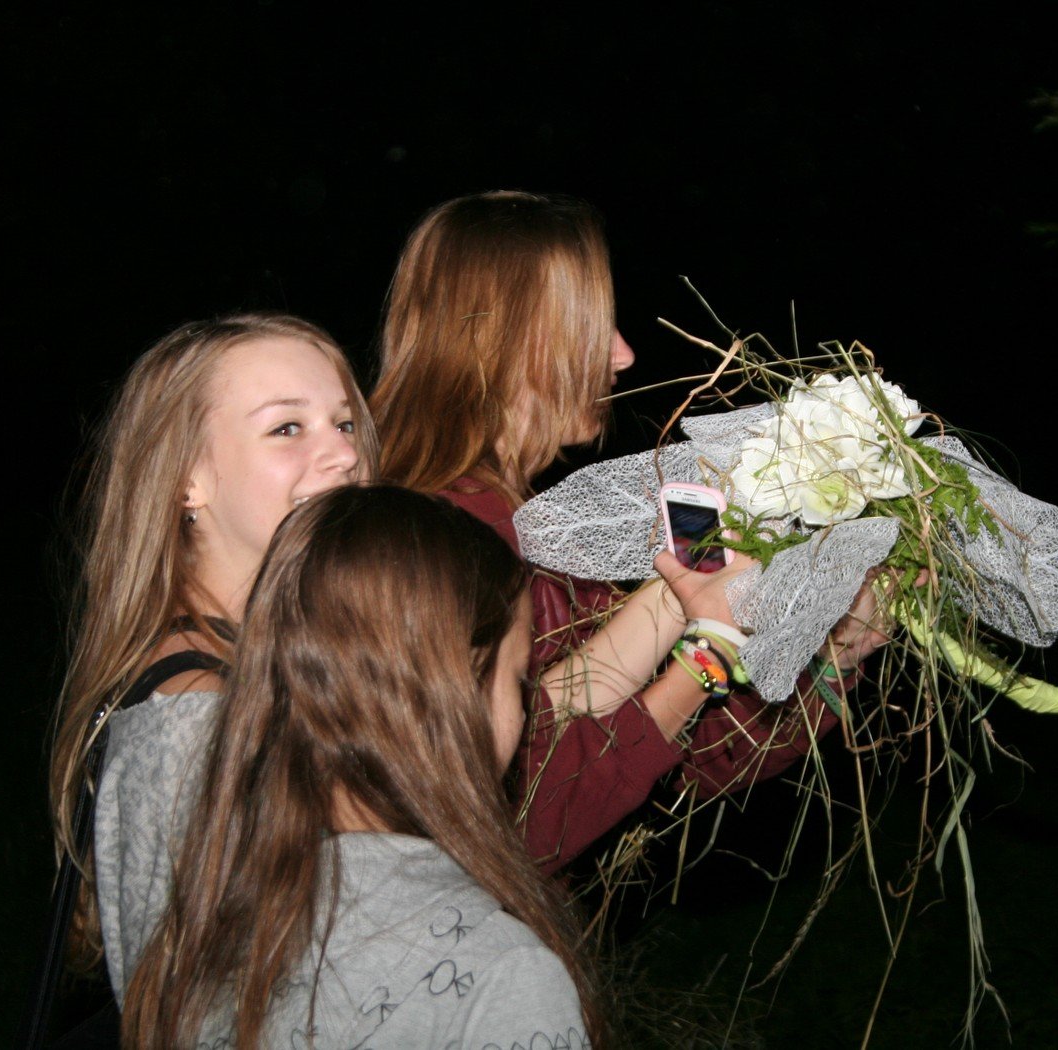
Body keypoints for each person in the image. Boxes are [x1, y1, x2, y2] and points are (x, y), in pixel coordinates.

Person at [371, 191, 890, 873]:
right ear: (503, 339)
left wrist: (829, 653)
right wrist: (708, 645)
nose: (622, 355)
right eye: (592, 326)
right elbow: (512, 822)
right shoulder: (431, 545)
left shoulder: (536, 529)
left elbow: (674, 758)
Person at [121, 486, 600, 1048]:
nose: (524, 712)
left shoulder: (199, 931)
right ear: (456, 698)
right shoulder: (503, 975)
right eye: (519, 681)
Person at [46, 314, 376, 1003]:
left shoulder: (278, 658)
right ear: (187, 480)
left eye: (345, 423)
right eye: (288, 428)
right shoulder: (194, 721)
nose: (344, 454)